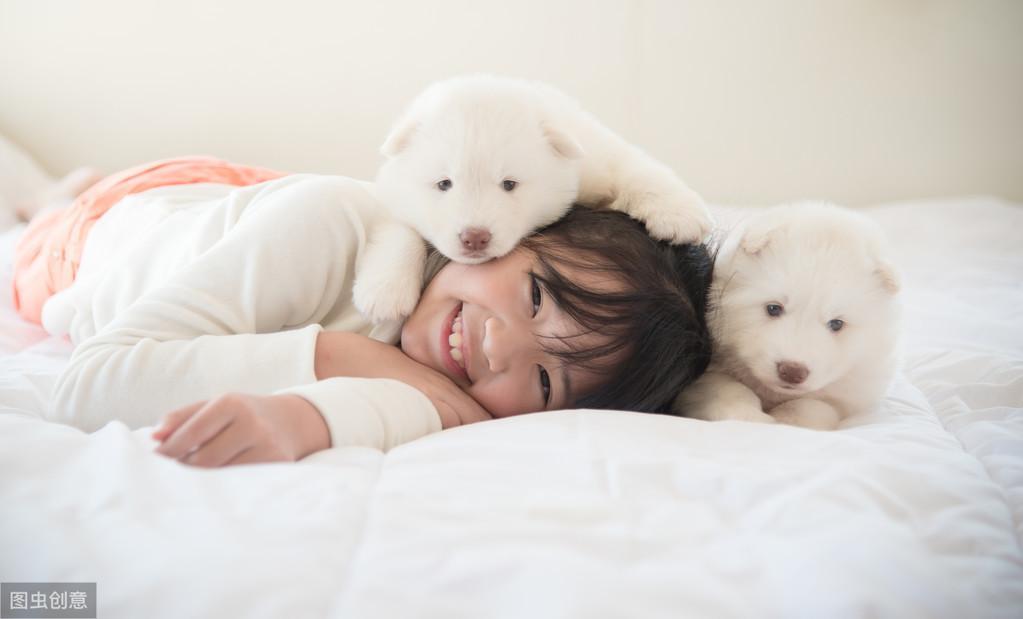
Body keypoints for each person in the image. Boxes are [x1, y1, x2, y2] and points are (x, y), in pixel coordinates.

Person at [13, 157, 713, 468]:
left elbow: (390, 409)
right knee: (31, 250)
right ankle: (54, 191)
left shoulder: (464, 395)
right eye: (534, 296)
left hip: (256, 220)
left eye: (543, 383)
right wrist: (345, 355)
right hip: (120, 225)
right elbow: (86, 384)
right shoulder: (334, 224)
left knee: (266, 227)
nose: (500, 350)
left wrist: (306, 417)